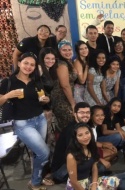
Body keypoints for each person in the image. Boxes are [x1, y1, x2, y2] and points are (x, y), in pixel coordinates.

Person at [0, 52, 51, 189]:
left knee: (37, 152)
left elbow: (41, 99)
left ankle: (38, 178)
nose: (28, 67)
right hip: (23, 124)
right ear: (19, 64)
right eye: (26, 63)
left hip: (40, 119)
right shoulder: (8, 82)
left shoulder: (36, 81)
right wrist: (8, 95)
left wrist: (46, 100)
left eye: (32, 65)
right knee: (44, 152)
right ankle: (35, 182)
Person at [51, 102, 114, 183]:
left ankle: (90, 176)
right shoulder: (72, 129)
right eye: (82, 113)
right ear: (75, 114)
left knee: (100, 165)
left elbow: (90, 146)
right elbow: (75, 154)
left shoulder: (84, 126)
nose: (85, 115)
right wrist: (99, 160)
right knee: (100, 168)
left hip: (76, 162)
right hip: (61, 171)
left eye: (87, 112)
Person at [66, 123, 120, 189]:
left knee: (114, 181)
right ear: (75, 138)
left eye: (87, 133)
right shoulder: (71, 156)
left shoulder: (92, 147)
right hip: (76, 186)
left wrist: (94, 185)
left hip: (89, 181)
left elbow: (94, 168)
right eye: (80, 135)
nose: (85, 137)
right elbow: (73, 182)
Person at [51, 40, 77, 132]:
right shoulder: (61, 64)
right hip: (61, 100)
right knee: (69, 126)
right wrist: (73, 104)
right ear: (59, 51)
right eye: (64, 50)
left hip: (67, 98)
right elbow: (65, 85)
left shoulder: (68, 62)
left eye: (69, 49)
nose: (67, 52)